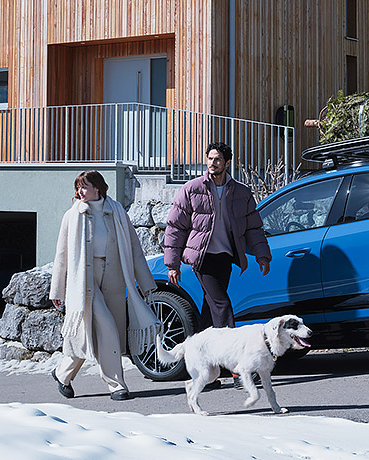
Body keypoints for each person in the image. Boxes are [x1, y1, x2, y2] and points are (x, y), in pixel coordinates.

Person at [50, 170, 158, 401]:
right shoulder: (73, 215)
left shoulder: (117, 211)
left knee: (91, 333)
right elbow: (62, 255)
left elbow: (134, 248)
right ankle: (116, 384)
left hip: (114, 276)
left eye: (84, 186)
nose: (80, 191)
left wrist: (145, 283)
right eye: (78, 187)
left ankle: (62, 374)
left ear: (97, 187)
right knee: (107, 326)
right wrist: (57, 290)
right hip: (84, 279)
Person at [163, 141, 272, 333]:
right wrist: (173, 265)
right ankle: (229, 346)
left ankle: (200, 347)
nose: (212, 163)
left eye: (218, 159)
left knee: (211, 305)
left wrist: (262, 255)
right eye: (210, 158)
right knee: (222, 305)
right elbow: (176, 227)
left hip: (225, 257)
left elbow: (253, 227)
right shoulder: (192, 189)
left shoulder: (242, 192)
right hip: (202, 257)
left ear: (227, 163)